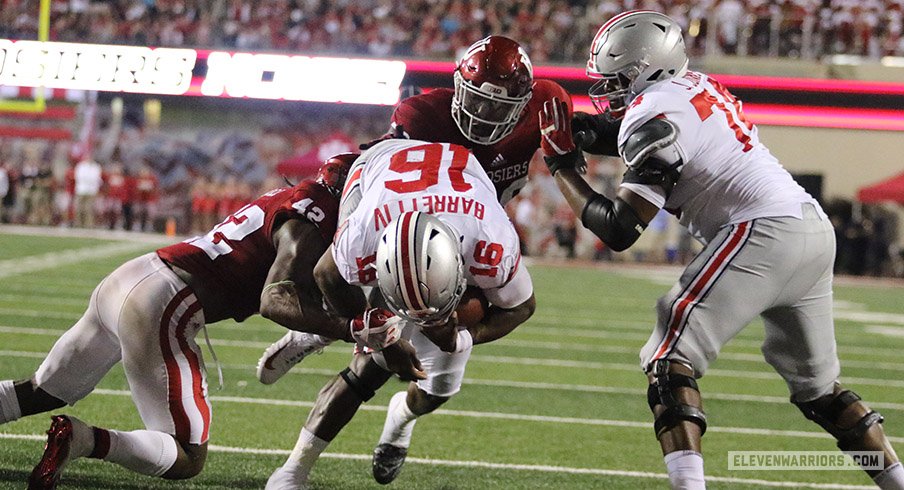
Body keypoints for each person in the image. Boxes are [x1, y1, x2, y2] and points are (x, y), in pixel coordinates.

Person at [540, 10, 903, 489]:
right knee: (820, 393)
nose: (608, 91)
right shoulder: (692, 85)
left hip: (763, 230)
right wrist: (583, 131)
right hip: (810, 230)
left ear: (647, 69)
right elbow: (636, 131)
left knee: (668, 357)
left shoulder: (653, 112)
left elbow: (621, 228)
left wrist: (562, 164)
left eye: (618, 80)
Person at [0, 155, 424, 489]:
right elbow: (276, 298)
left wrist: (347, 328)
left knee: (42, 391)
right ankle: (82, 439)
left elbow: (314, 289)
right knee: (187, 457)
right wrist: (355, 331)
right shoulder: (313, 221)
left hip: (134, 275)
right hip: (165, 302)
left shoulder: (292, 197)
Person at [258, 33, 570, 396]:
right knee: (374, 279)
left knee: (454, 310)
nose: (483, 115)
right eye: (476, 100)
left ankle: (333, 338)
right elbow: (387, 163)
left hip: (472, 221)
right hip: (417, 216)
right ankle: (318, 331)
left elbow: (579, 135)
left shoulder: (543, 107)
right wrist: (347, 166)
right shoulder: (425, 115)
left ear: (524, 102)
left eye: (497, 107)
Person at [264, 139, 536, 489]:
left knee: (437, 388)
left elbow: (522, 306)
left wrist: (464, 336)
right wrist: (372, 335)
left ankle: (401, 416)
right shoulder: (363, 238)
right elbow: (326, 274)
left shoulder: (491, 244)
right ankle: (294, 469)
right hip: (376, 175)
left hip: (453, 201)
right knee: (368, 361)